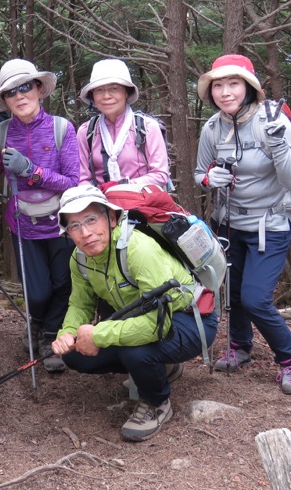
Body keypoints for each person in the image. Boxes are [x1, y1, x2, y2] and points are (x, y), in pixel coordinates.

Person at [51, 185, 218, 442]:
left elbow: (156, 326)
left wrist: (100, 335)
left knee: (135, 350)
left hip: (190, 319)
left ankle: (157, 402)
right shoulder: (80, 258)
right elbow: (80, 304)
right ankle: (163, 366)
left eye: (91, 219)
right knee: (76, 356)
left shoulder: (138, 249)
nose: (85, 233)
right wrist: (68, 333)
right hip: (147, 318)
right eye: (74, 226)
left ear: (112, 218)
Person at [194, 54, 291, 394]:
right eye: (218, 85)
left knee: (257, 298)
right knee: (236, 294)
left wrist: (276, 143)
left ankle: (290, 361)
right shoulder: (212, 128)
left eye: (233, 84)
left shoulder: (274, 122)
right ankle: (240, 347)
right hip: (229, 224)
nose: (225, 92)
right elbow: (200, 172)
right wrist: (208, 179)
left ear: (249, 87)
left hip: (270, 224)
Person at [0, 59, 79, 373]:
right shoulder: (1, 132)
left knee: (64, 284)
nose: (20, 96)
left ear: (39, 89)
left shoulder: (61, 128)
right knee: (37, 291)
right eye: (11, 92)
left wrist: (31, 171)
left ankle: (49, 337)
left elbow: (72, 182)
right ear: (5, 100)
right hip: (22, 222)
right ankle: (37, 323)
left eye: (26, 86)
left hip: (61, 222)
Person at [76, 59, 170, 189]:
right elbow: (82, 178)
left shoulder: (147, 127)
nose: (106, 96)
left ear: (126, 92)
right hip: (100, 202)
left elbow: (160, 174)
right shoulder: (86, 132)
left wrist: (123, 186)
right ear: (93, 96)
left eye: (114, 88)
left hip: (141, 202)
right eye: (99, 90)